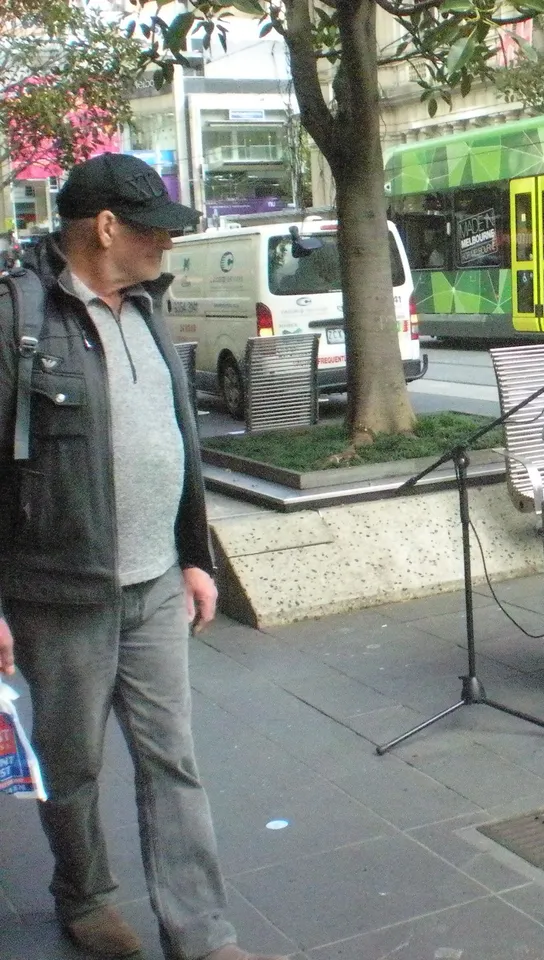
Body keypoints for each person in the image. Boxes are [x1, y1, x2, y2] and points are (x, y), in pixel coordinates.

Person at [0, 153, 285, 960]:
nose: (167, 243)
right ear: (105, 227)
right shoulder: (17, 318)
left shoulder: (150, 308)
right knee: (73, 764)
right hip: (61, 593)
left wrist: (194, 557)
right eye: (155, 229)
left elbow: (178, 444)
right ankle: (85, 895)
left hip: (156, 582)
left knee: (173, 762)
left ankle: (204, 934)